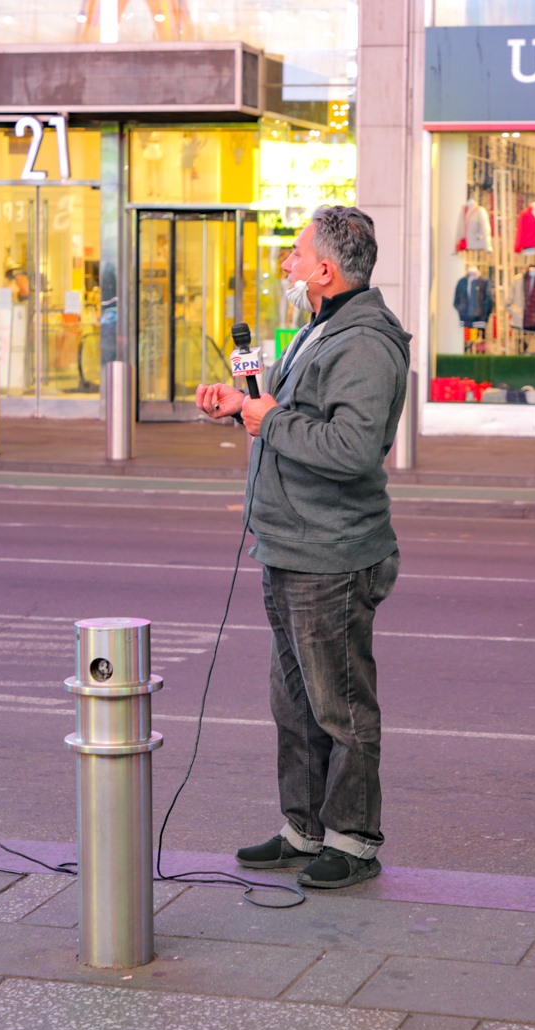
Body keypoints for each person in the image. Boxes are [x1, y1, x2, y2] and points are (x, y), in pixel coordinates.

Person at [194, 206, 410, 890]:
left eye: (295, 254)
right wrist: (245, 408)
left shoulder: (366, 342)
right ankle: (304, 827)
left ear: (326, 268)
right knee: (293, 701)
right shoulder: (322, 329)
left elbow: (350, 449)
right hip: (287, 543)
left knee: (339, 703)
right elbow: (293, 424)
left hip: (332, 553)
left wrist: (269, 417)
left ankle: (352, 838)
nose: (286, 264)